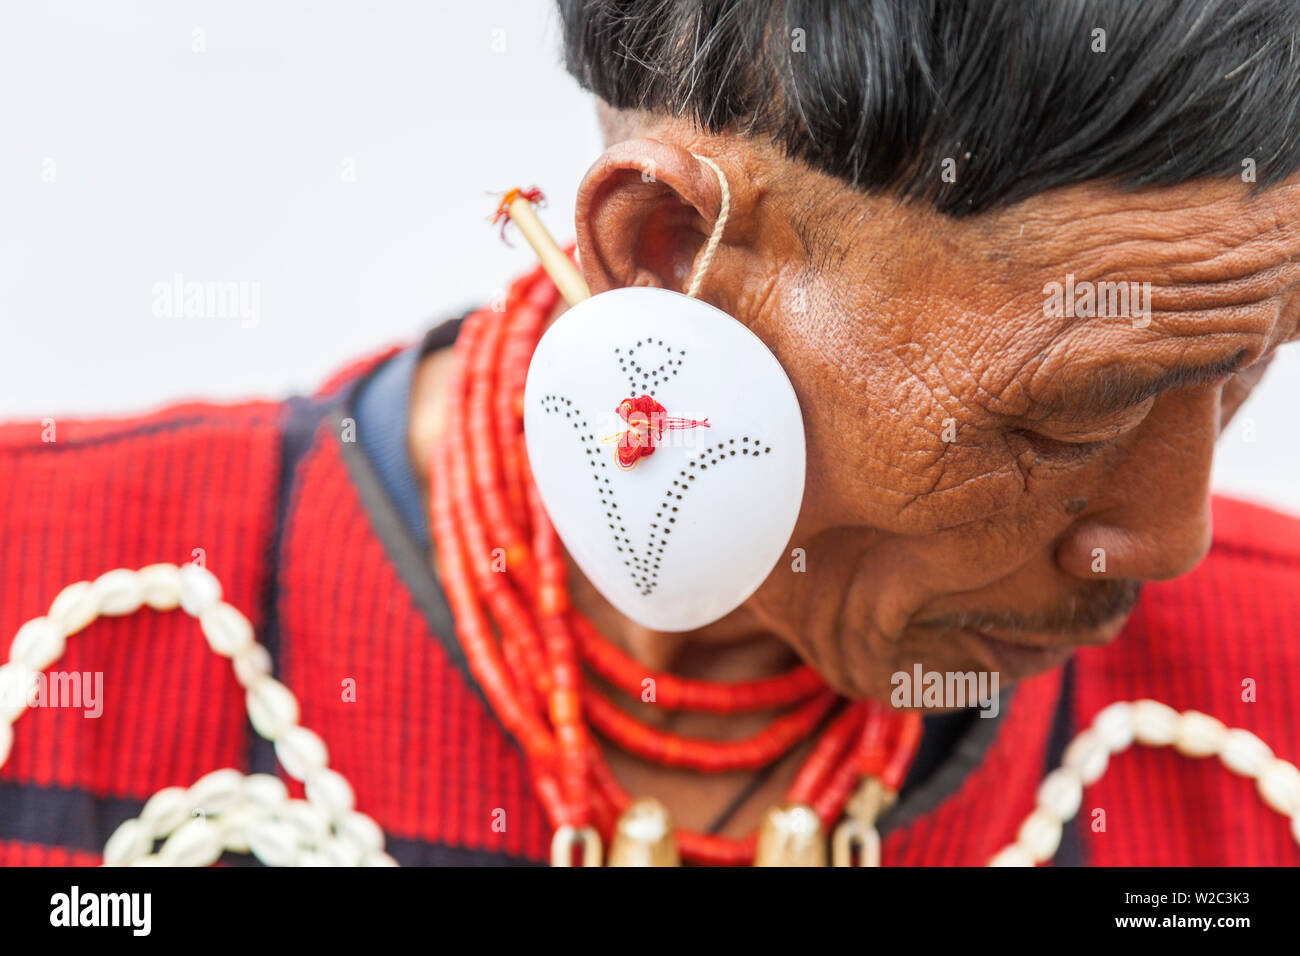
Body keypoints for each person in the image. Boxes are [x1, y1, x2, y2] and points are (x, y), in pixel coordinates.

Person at [1, 0, 1298, 866]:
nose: (1170, 541)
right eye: (1073, 416)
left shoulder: (1272, 702)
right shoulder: (45, 625)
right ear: (669, 253)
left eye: (1244, 373)